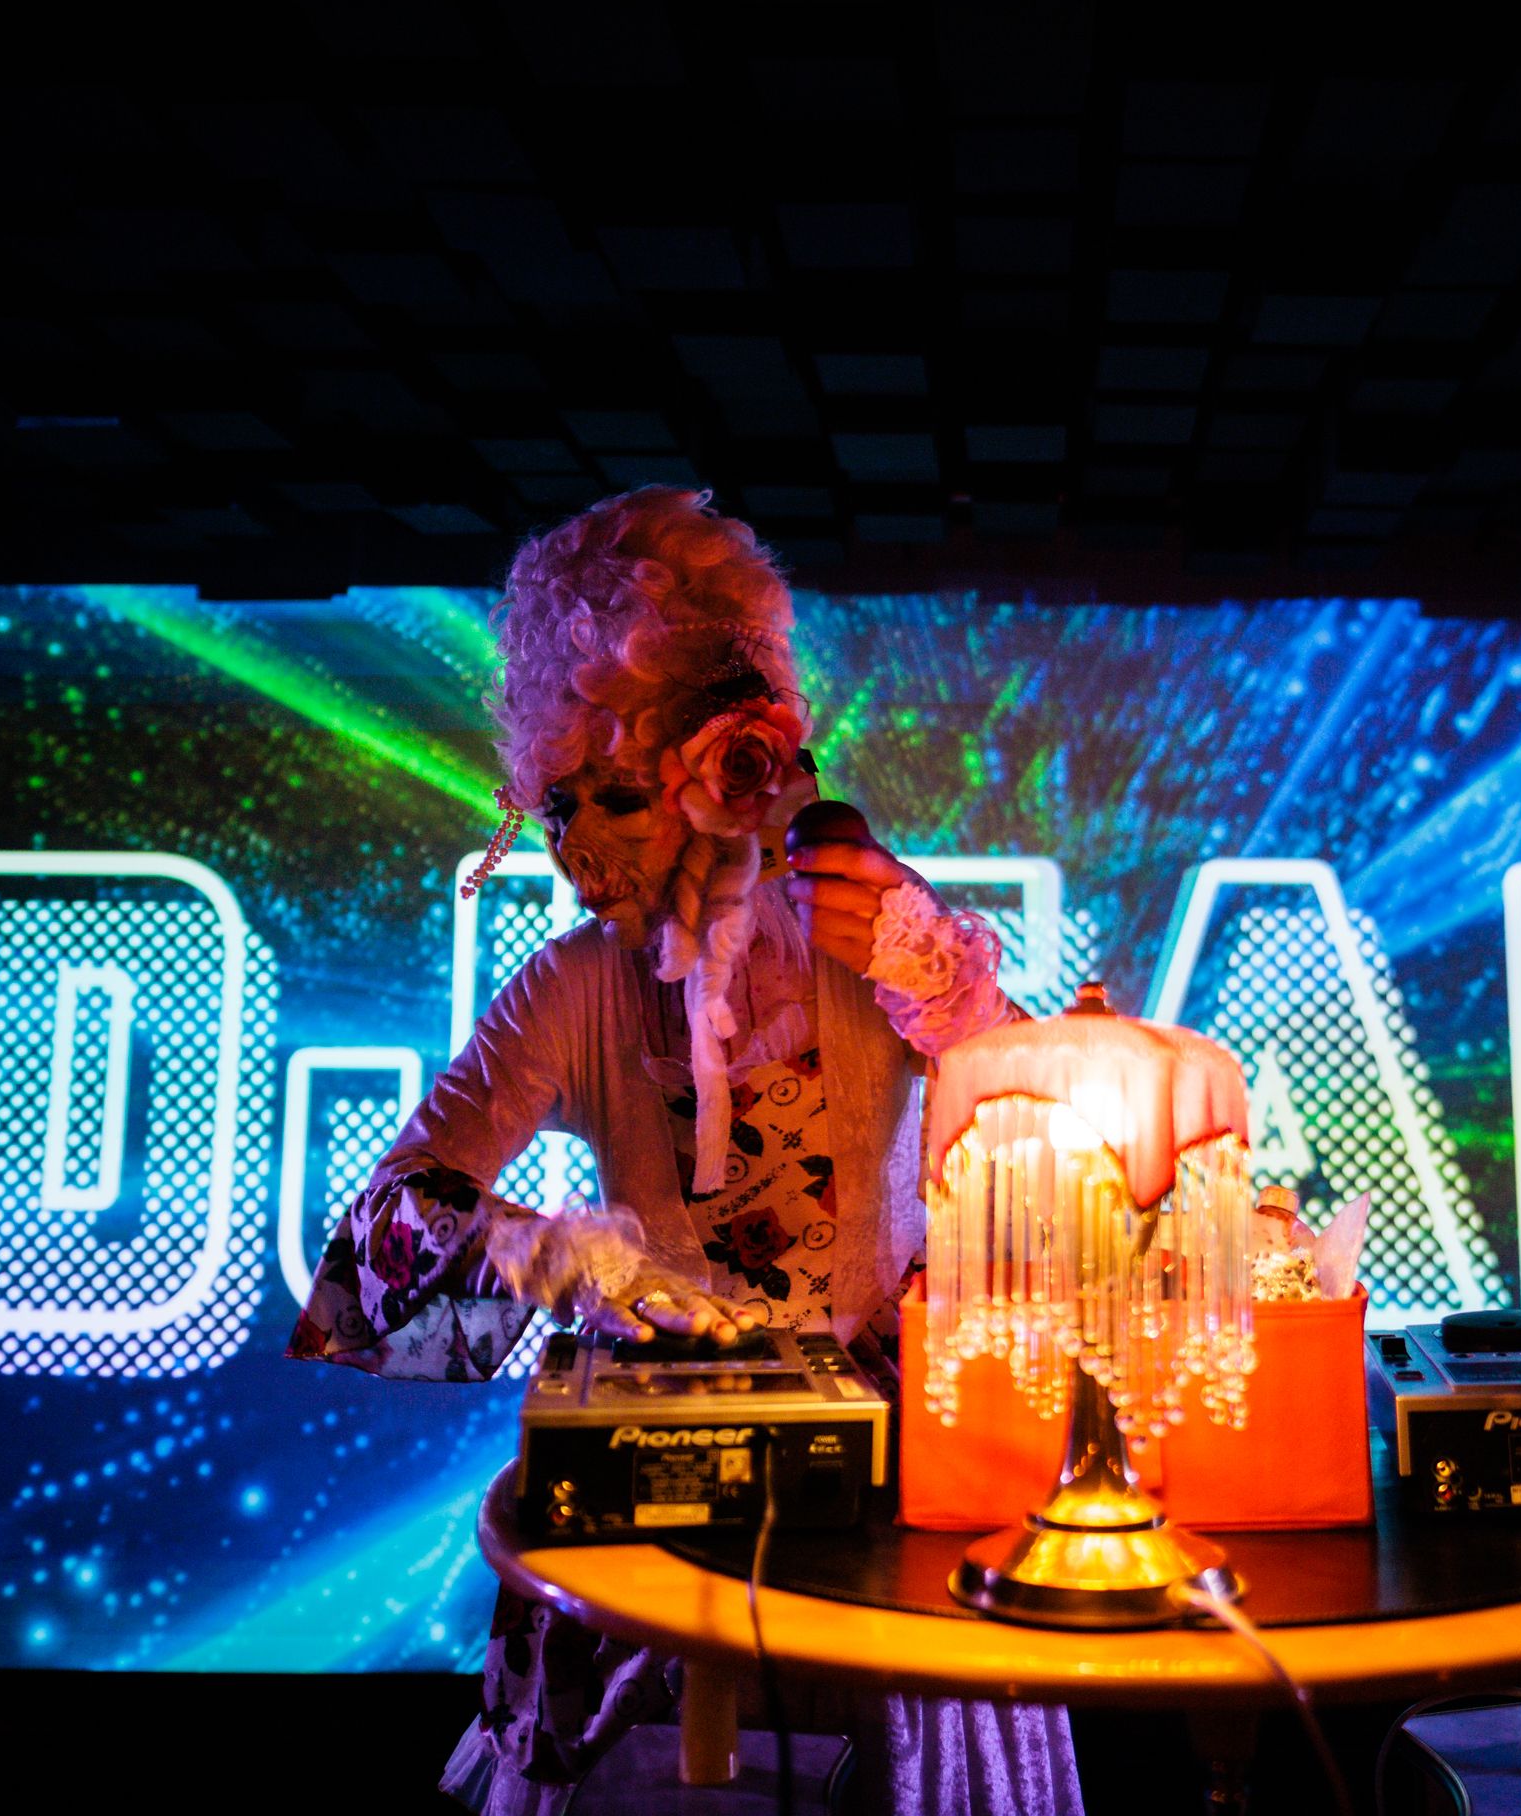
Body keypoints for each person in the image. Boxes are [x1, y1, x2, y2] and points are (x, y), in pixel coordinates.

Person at [286, 487, 1081, 1815]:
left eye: (613, 798)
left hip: (900, 1492)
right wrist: (550, 1253)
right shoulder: (573, 988)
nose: (578, 852)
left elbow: (1058, 1131)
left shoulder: (874, 933)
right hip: (665, 1485)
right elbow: (376, 1246)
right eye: (557, 805)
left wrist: (949, 991)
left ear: (723, 774)